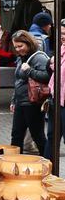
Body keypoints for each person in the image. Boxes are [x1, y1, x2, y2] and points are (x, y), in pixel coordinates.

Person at [9, 30, 50, 154]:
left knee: (37, 135)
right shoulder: (22, 57)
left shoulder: (39, 57)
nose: (18, 49)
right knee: (16, 135)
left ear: (28, 43)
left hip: (33, 103)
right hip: (21, 102)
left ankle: (49, 162)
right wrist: (13, 100)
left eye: (20, 46)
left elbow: (47, 77)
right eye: (15, 47)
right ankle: (14, 164)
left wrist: (29, 71)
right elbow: (18, 81)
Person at [44, 20, 65, 160]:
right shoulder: (61, 49)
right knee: (51, 136)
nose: (62, 36)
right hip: (55, 100)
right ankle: (47, 173)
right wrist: (50, 62)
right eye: (61, 33)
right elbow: (52, 71)